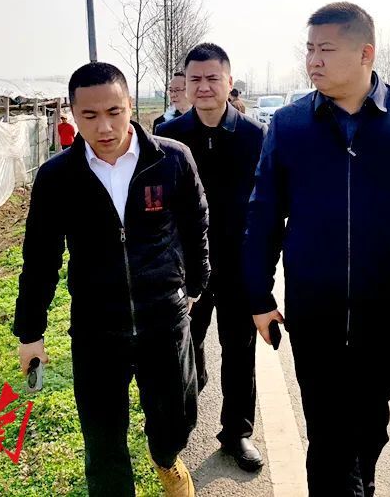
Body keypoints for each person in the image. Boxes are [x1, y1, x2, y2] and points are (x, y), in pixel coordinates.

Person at [243, 2, 390, 496]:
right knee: (327, 432)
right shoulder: (290, 126)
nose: (313, 60)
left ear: (365, 53)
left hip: (385, 309)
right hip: (315, 311)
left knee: (371, 425)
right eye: (310, 49)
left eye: (326, 49)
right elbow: (263, 214)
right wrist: (259, 297)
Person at [13, 62, 209, 497]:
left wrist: (195, 285)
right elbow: (40, 257)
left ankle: (165, 458)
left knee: (175, 420)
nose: (104, 127)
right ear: (73, 113)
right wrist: (30, 332)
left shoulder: (172, 160)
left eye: (114, 112)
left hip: (164, 320)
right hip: (97, 329)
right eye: (90, 115)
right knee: (102, 441)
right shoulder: (57, 178)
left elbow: (196, 226)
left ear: (130, 106)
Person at [156, 43, 267, 472]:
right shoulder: (169, 138)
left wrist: (262, 266)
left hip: (239, 265)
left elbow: (269, 206)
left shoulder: (256, 137)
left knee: (239, 349)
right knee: (186, 347)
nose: (203, 87)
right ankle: (179, 424)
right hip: (186, 269)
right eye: (195, 79)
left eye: (212, 78)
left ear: (229, 82)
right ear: (185, 84)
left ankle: (237, 433)